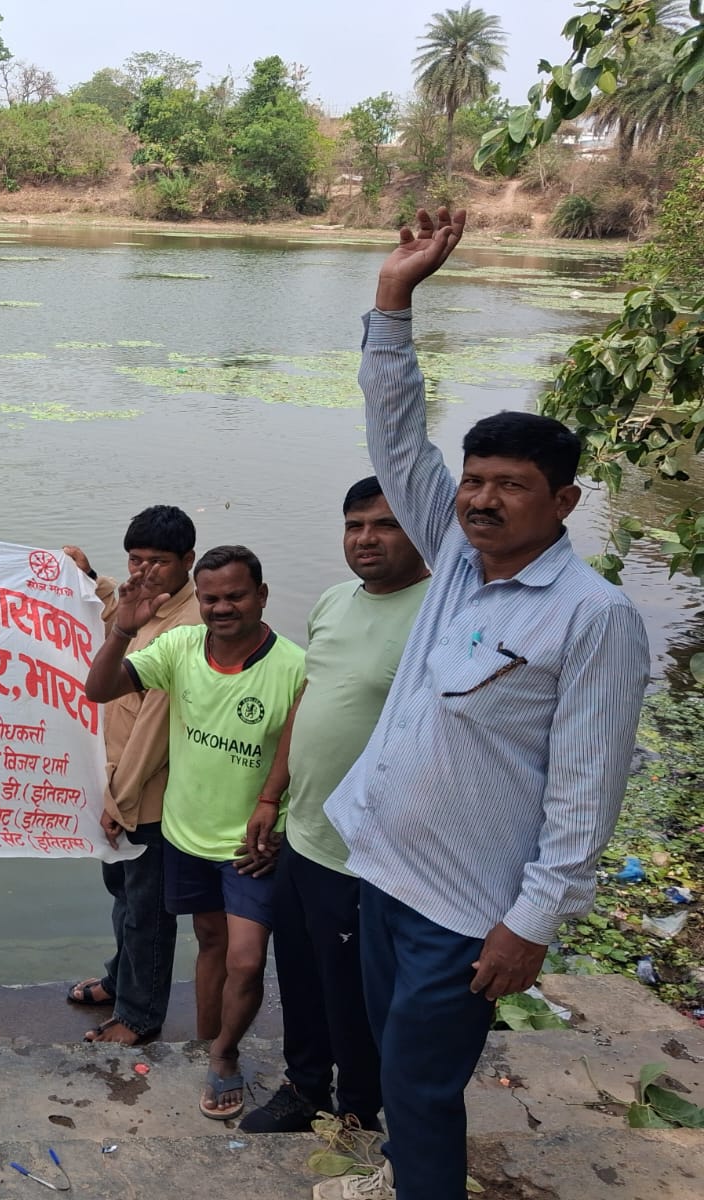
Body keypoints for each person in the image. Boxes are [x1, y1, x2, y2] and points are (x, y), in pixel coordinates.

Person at [315, 209, 649, 1200]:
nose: (481, 500)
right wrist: (392, 299)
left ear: (564, 502)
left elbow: (585, 790)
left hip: (464, 909)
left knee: (420, 1085)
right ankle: (399, 1179)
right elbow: (395, 434)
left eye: (512, 486)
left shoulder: (594, 619)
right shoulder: (457, 562)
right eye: (473, 481)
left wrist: (534, 919)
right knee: (387, 1059)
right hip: (380, 869)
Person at [86, 545, 305, 1121]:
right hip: (186, 836)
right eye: (210, 598)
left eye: (235, 595)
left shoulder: (295, 667)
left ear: (262, 595)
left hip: (251, 847)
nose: (221, 607)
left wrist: (272, 808)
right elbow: (99, 689)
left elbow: (301, 750)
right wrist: (120, 632)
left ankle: (226, 1055)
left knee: (247, 959)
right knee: (210, 942)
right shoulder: (180, 646)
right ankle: (207, 1043)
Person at [240, 477, 429, 1135]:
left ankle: (359, 1107)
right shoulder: (334, 600)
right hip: (305, 831)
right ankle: (305, 1087)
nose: (365, 539)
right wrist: (272, 794)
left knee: (352, 988)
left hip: (370, 852)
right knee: (298, 972)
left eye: (383, 525)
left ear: (420, 529)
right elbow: (309, 699)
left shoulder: (441, 613)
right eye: (354, 525)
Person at [61, 507, 225, 1047]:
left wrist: (119, 799)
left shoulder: (191, 628)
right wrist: (89, 577)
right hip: (113, 778)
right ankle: (118, 980)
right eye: (136, 559)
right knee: (123, 896)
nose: (146, 572)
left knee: (147, 911)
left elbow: (155, 730)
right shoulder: (143, 602)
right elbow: (117, 615)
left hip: (150, 794)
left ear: (188, 562)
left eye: (159, 562)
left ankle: (139, 1016)